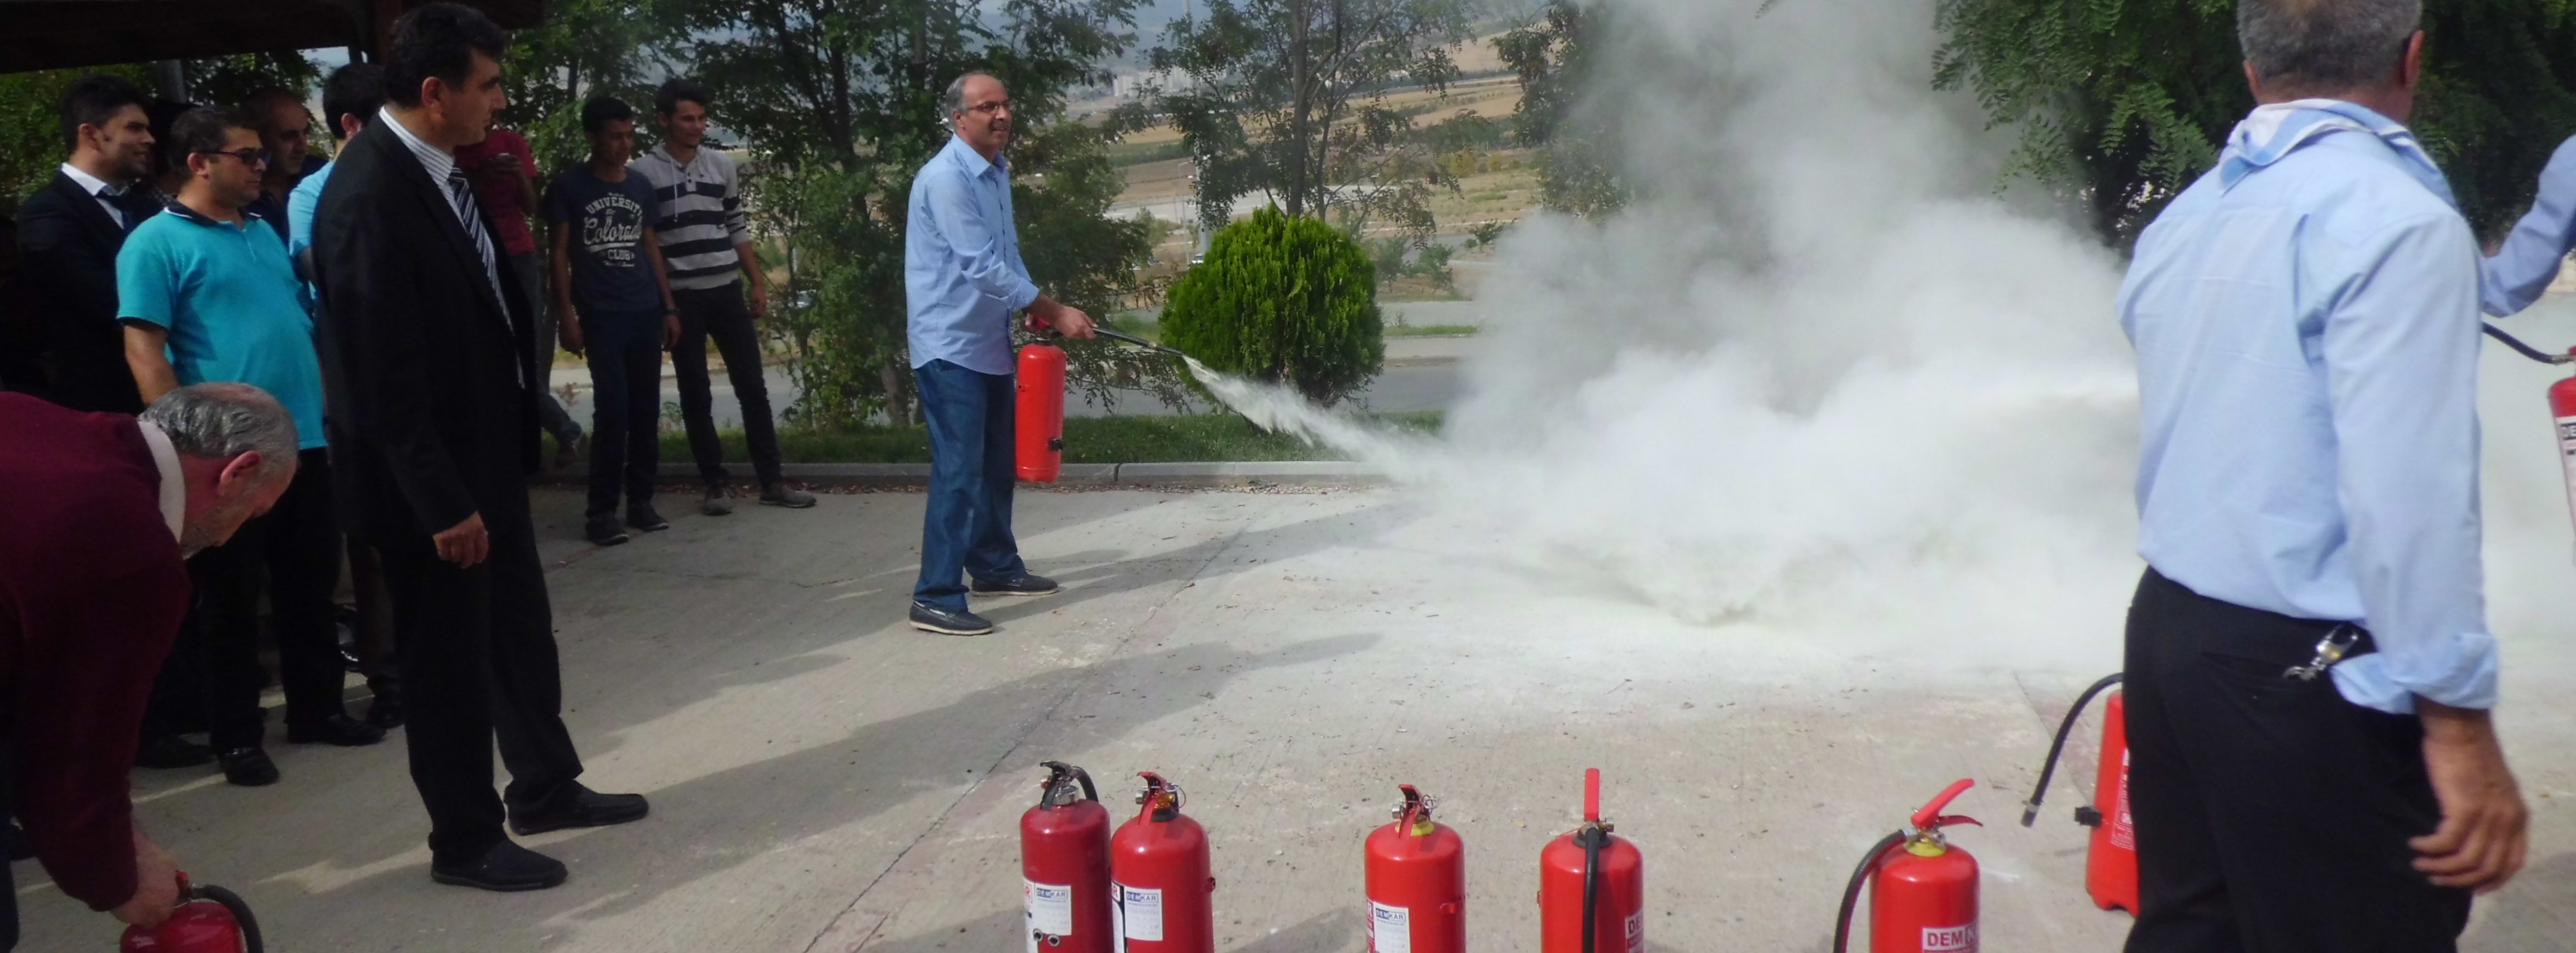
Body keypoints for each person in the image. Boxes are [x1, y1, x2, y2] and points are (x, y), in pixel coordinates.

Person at [2114, 1, 2529, 949]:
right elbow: (2406, 498)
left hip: (2172, 635)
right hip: (2305, 668)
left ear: (2255, 72)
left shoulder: (2196, 212)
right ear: (2412, 59)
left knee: (2195, 929)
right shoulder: (2402, 225)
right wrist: (2457, 723)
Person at [311, 2, 647, 892]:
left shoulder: (440, 172)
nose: (500, 101)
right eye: (489, 85)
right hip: (430, 486)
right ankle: (463, 837)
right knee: (449, 663)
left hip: (484, 459)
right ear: (435, 91)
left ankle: (545, 783)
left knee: (517, 632)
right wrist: (442, 502)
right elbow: (381, 378)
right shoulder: (369, 195)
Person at [119, 107, 385, 788]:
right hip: (225, 460)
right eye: (246, 156)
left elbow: (300, 319)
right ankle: (237, 733)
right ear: (200, 162)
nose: (261, 165)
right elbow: (146, 348)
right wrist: (185, 448)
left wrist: (324, 401)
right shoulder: (155, 244)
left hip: (304, 439)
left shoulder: (264, 230)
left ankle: (317, 708)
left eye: (260, 156)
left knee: (309, 582)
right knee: (230, 598)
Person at [1, 382, 301, 948]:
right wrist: (120, 878)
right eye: (252, 514)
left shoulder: (27, 415)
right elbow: (72, 752)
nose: (231, 536)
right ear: (238, 471)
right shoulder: (133, 554)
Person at [899, 72, 1095, 637]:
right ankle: (935, 595)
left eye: (1006, 104)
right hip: (948, 346)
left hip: (987, 342)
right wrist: (1055, 311)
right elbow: (979, 267)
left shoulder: (995, 171)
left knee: (995, 466)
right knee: (959, 472)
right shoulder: (946, 178)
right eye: (987, 107)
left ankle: (992, 565)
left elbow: (1004, 254)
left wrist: (1031, 304)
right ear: (958, 119)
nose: (1002, 115)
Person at [635, 78, 815, 515]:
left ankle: (771, 480)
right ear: (664, 120)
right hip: (682, 295)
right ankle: (715, 484)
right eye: (687, 119)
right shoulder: (644, 173)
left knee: (753, 386)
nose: (697, 126)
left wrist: (756, 281)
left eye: (701, 118)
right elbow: (650, 241)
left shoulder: (721, 166)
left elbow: (737, 226)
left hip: (725, 289)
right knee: (696, 390)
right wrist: (668, 305)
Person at [289, 61, 407, 731]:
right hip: (349, 384)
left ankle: (420, 663)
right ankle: (385, 669)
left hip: (402, 377)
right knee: (369, 535)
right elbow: (329, 275)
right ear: (353, 126)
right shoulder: (314, 196)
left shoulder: (409, 179)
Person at [548, 96, 682, 547]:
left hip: (644, 309)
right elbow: (560, 254)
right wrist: (567, 314)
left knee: (646, 410)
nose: (624, 144)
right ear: (593, 137)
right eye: (615, 136)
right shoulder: (571, 187)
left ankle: (641, 502)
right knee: (614, 413)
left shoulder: (640, 187)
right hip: (602, 314)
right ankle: (601, 511)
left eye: (629, 135)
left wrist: (668, 307)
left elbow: (650, 247)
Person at [16, 74, 157, 414]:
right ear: (91, 134)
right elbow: (106, 302)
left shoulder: (148, 209)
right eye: (134, 128)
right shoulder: (46, 214)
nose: (149, 139)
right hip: (102, 406)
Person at [457, 122, 586, 468]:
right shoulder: (451, 148)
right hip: (471, 253)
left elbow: (532, 207)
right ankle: (560, 431)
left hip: (517, 253)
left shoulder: (512, 142)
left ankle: (560, 432)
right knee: (488, 353)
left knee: (522, 351)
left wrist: (518, 175)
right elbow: (453, 202)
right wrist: (481, 177)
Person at [240, 88, 326, 246]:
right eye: (289, 137)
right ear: (259, 138)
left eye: (306, 133)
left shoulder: (323, 178)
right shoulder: (237, 196)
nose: (303, 147)